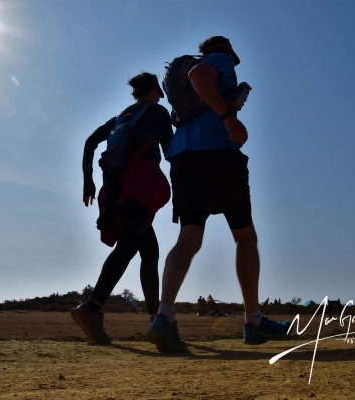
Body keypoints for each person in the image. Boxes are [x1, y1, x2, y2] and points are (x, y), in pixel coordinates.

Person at [145, 36, 290, 352]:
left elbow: (194, 81)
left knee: (189, 238)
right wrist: (228, 117)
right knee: (245, 237)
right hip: (218, 154)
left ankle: (164, 317)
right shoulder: (218, 60)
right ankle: (254, 321)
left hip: (184, 158)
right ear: (226, 49)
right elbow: (200, 75)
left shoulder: (180, 77)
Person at [71, 72, 173, 343]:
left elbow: (90, 142)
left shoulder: (120, 117)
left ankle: (157, 321)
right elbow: (171, 151)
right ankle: (92, 307)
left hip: (116, 186)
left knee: (149, 252)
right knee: (128, 245)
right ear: (155, 90)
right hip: (141, 185)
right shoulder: (158, 112)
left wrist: (88, 181)